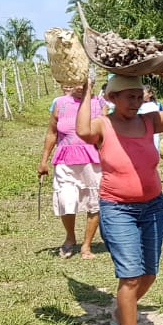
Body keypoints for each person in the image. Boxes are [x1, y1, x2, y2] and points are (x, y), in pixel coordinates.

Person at [76, 72, 163, 325]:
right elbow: (81, 132)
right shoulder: (103, 125)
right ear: (112, 98)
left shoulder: (149, 121)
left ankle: (120, 311)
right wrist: (88, 90)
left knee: (149, 274)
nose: (136, 102)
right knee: (129, 277)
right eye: (129, 96)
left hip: (153, 206)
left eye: (139, 96)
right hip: (118, 209)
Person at [39, 82, 103, 259]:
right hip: (65, 160)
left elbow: (107, 134)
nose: (80, 87)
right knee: (66, 199)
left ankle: (87, 246)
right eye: (76, 83)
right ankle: (70, 237)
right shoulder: (60, 103)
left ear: (92, 83)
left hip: (93, 161)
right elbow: (52, 133)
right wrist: (43, 160)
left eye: (85, 83)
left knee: (94, 202)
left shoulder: (100, 103)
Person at [137, 85, 161, 152]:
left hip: (153, 133)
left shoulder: (156, 105)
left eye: (143, 93)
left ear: (150, 94)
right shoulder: (137, 105)